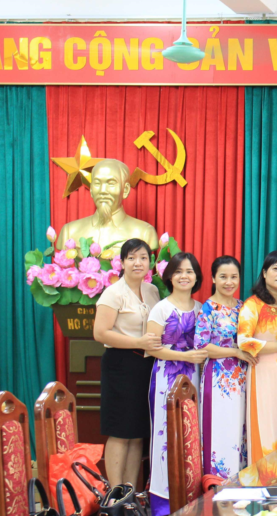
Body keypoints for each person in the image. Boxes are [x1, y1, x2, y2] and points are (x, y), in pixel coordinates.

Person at [93, 238, 161, 488]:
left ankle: (130, 491)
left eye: (143, 258)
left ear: (150, 263)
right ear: (121, 263)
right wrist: (138, 342)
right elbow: (100, 333)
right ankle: (114, 493)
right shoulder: (113, 293)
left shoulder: (152, 291)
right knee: (121, 432)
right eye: (131, 258)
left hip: (146, 366)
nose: (137, 263)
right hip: (120, 366)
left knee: (137, 432)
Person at [145, 252, 206, 515]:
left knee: (192, 434)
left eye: (189, 271)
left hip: (194, 379)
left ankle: (192, 496)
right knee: (165, 436)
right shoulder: (161, 308)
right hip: (166, 380)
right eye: (179, 271)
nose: (184, 276)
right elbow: (151, 348)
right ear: (169, 276)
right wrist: (185, 356)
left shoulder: (202, 308)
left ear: (197, 277)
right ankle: (163, 503)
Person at [238, 250, 277, 463]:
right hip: (263, 374)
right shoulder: (253, 304)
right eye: (276, 269)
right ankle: (266, 478)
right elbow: (243, 341)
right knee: (266, 426)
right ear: (264, 273)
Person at [195, 255, 253, 479]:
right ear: (213, 278)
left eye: (234, 277)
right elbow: (202, 346)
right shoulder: (208, 308)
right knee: (221, 429)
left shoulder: (242, 307)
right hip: (218, 378)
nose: (229, 282)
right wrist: (235, 352)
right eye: (223, 277)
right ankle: (217, 483)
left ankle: (240, 482)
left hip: (242, 376)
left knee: (240, 429)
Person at [57, 159, 159, 249]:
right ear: (91, 189)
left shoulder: (144, 233)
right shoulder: (69, 232)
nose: (103, 190)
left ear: (125, 190)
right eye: (97, 183)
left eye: (111, 183)